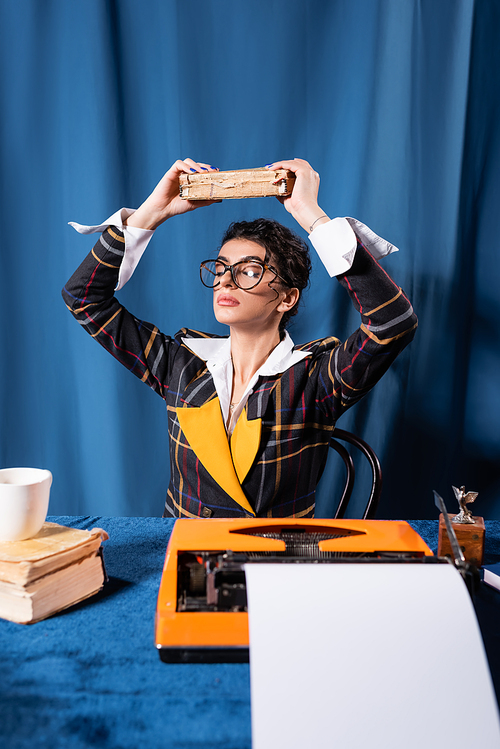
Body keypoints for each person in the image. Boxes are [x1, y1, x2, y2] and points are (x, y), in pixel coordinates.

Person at [63, 158, 417, 519]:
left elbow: (393, 322)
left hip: (278, 562)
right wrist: (153, 212)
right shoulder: (180, 364)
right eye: (220, 268)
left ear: (287, 298)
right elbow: (83, 298)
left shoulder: (315, 380)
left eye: (249, 270)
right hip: (187, 558)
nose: (226, 281)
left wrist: (310, 214)